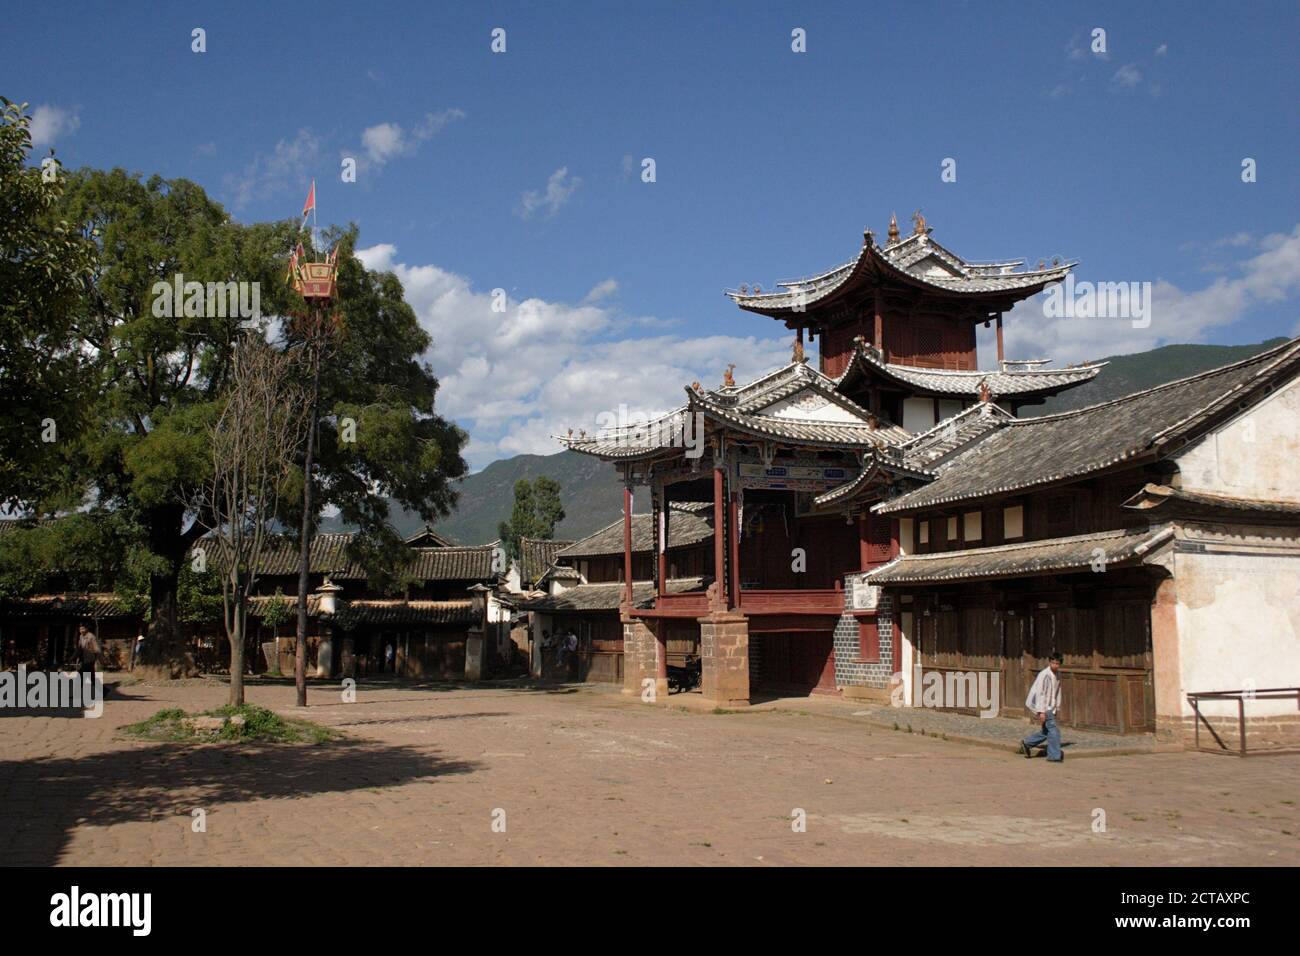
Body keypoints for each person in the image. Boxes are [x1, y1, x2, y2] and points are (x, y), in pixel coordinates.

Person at [1021, 652, 1064, 762]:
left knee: (1046, 731)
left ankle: (1027, 743)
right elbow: (1041, 693)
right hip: (1044, 707)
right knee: (1054, 731)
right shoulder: (1044, 675)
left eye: (1057, 663)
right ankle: (1054, 756)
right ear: (1049, 662)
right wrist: (1041, 711)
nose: (1055, 665)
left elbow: (1057, 692)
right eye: (1053, 663)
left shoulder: (1058, 675)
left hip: (1051, 706)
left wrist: (1057, 707)